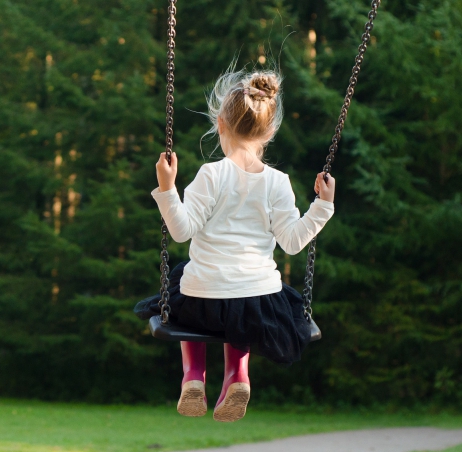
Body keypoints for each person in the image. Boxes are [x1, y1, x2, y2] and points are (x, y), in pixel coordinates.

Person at [135, 68, 336, 422]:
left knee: (183, 282)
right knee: (242, 306)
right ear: (270, 131)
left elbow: (181, 231)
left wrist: (167, 188)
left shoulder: (211, 175)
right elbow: (292, 243)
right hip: (257, 303)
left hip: (202, 300)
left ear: (220, 124)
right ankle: (237, 376)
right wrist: (322, 206)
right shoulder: (278, 182)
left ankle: (193, 375)